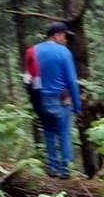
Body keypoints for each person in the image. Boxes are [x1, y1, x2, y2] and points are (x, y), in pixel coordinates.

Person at [23, 22, 82, 179]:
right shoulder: (64, 52)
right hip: (60, 100)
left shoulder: (33, 51)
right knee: (64, 134)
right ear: (56, 35)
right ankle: (66, 171)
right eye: (64, 36)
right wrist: (77, 105)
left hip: (41, 99)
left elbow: (27, 79)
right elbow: (71, 81)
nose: (65, 40)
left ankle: (52, 168)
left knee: (48, 133)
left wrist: (34, 101)